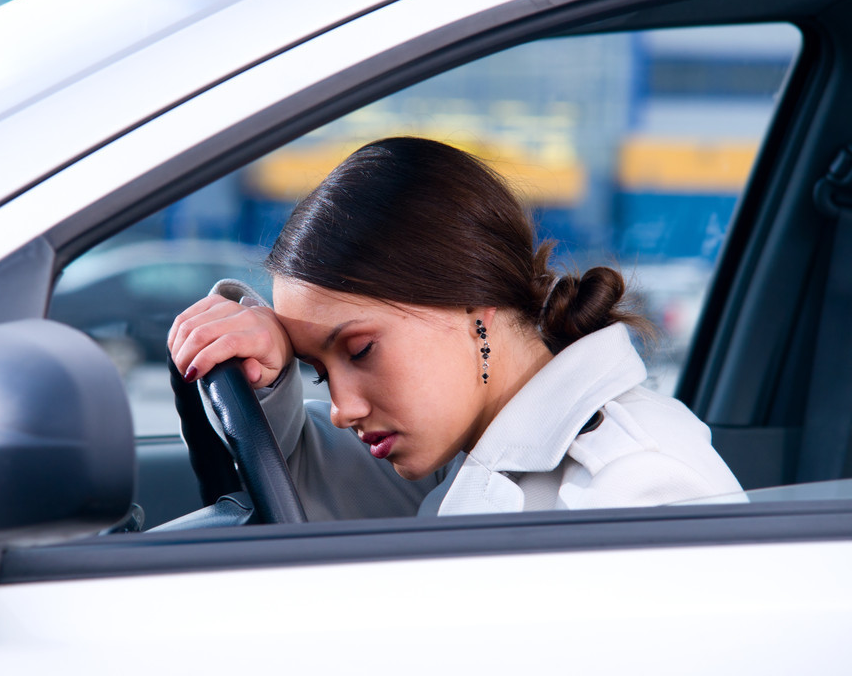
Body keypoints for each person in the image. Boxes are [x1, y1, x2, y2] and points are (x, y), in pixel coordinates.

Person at [168, 136, 742, 520]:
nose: (342, 408)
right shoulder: (468, 444)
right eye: (317, 372)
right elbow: (305, 495)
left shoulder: (636, 485)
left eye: (361, 350)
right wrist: (264, 371)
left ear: (476, 303)